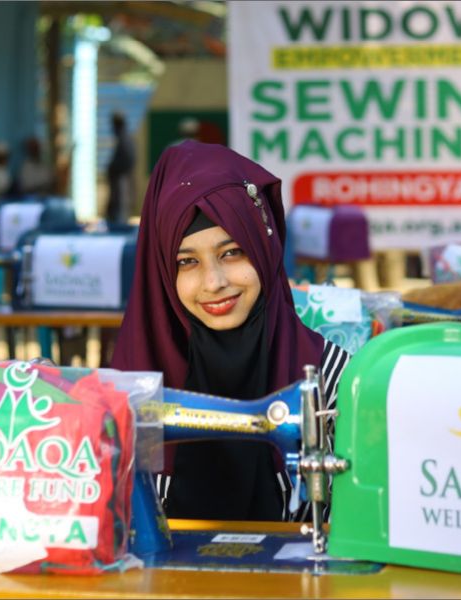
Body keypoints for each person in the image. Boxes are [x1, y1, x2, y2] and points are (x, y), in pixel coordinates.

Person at [111, 140, 350, 521]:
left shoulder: (336, 382)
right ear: (163, 272)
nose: (215, 282)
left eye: (232, 252)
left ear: (264, 249)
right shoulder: (124, 391)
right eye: (186, 262)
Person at [105, 111, 136, 225]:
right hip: (119, 180)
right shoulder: (124, 138)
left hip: (121, 180)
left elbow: (128, 160)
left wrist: (113, 168)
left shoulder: (125, 139)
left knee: (120, 208)